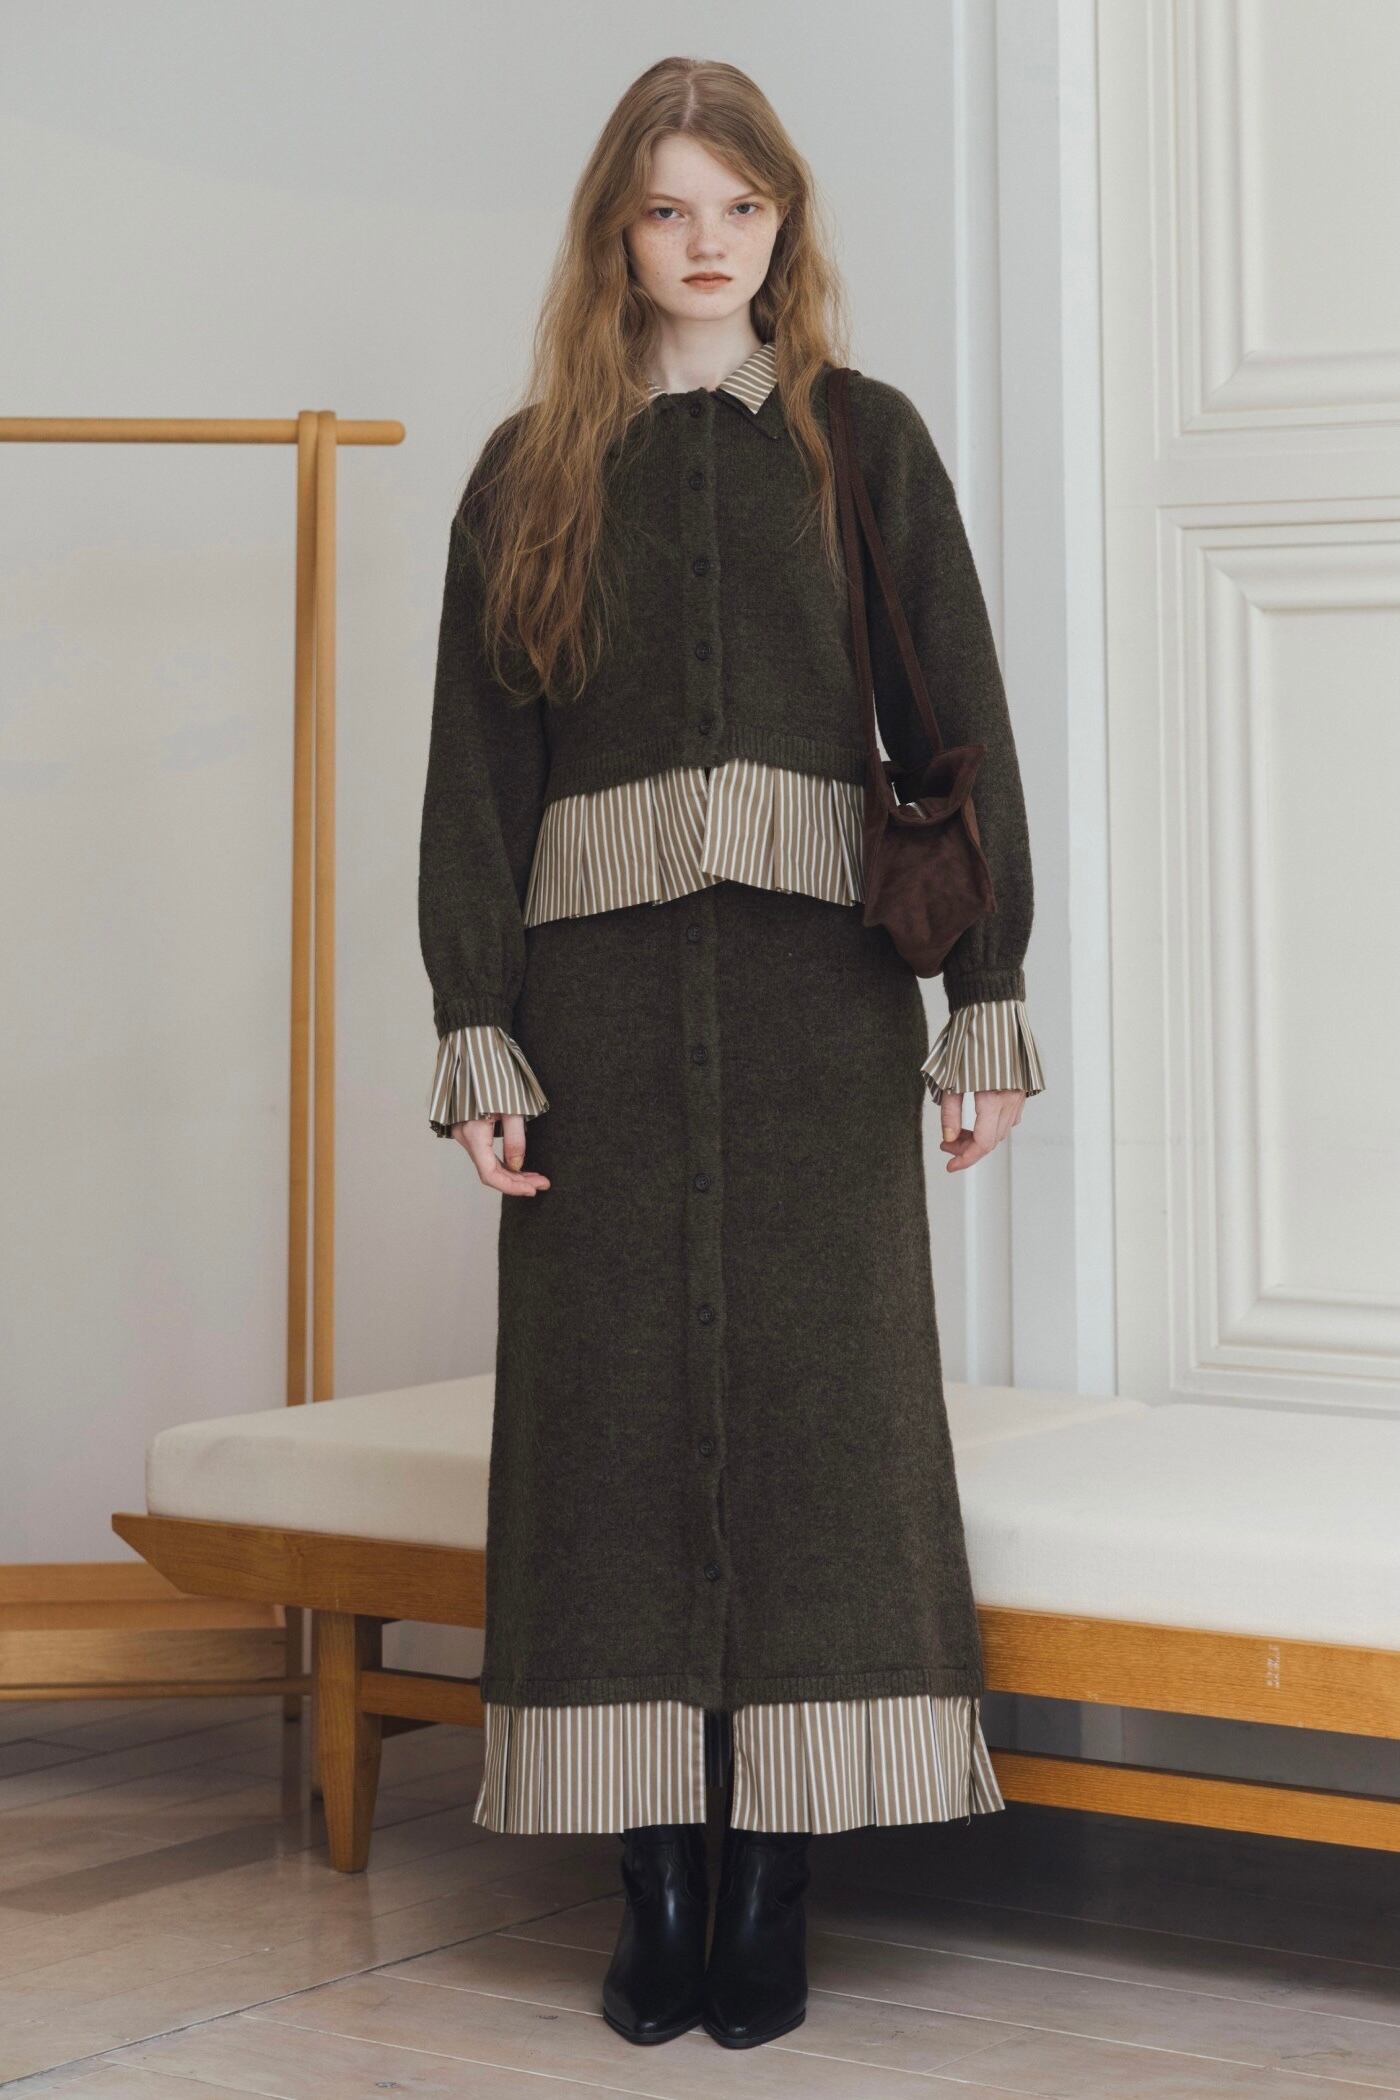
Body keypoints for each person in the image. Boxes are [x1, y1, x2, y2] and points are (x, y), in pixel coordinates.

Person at [417, 55, 1045, 2053]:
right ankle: (655, 1874)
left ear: (785, 224)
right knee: (601, 1420)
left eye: (742, 208)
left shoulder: (865, 443)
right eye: (671, 208)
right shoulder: (529, 471)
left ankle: (773, 1872)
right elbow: (475, 773)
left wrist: (987, 1003)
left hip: (817, 1001)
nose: (709, 244)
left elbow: (956, 720)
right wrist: (478, 1029)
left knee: (824, 1417)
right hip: (593, 1018)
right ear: (616, 231)